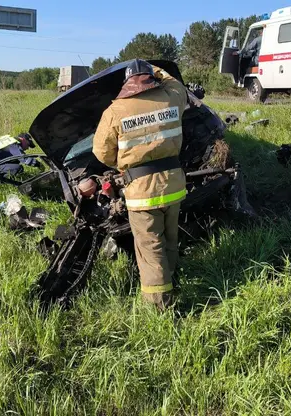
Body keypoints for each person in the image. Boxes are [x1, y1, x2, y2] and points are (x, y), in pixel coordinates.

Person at [92, 59, 190, 311]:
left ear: (127, 83)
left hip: (141, 193)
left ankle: (160, 306)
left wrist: (125, 164)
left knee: (150, 249)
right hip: (173, 186)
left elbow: (101, 152)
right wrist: (157, 70)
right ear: (151, 78)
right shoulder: (171, 98)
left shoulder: (115, 111)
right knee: (170, 239)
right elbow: (177, 84)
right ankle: (172, 280)